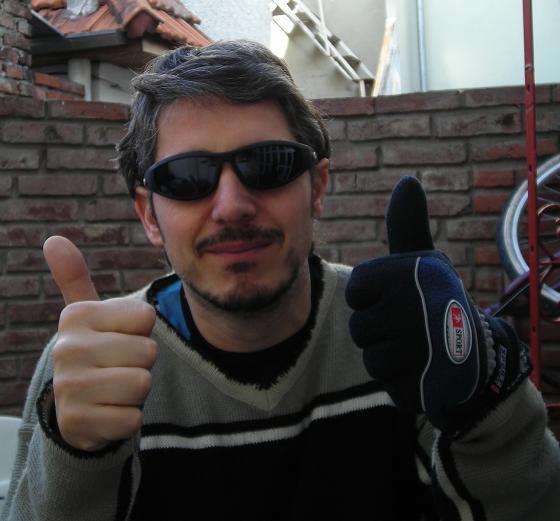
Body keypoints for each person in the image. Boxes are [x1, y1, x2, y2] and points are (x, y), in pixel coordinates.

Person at [2, 39, 559, 521]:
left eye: (267, 164)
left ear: (317, 187)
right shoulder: (93, 368)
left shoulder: (415, 341)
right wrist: (78, 454)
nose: (231, 206)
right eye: (188, 177)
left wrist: (487, 406)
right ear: (149, 214)